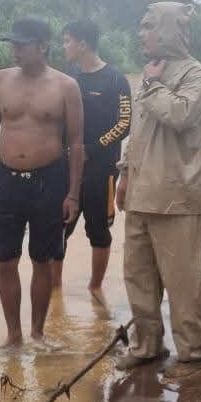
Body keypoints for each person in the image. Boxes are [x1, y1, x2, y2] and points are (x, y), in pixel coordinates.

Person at [114, 2, 201, 379]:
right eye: (141, 26)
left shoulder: (196, 74)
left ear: (170, 30)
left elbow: (179, 115)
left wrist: (153, 85)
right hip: (141, 192)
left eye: (148, 26)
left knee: (184, 282)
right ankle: (146, 346)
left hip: (176, 196)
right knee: (138, 277)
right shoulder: (150, 73)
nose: (142, 34)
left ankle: (193, 354)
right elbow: (138, 133)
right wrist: (124, 175)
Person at [0, 17, 85, 348]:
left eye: (22, 44)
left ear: (43, 45)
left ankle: (37, 332)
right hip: (7, 179)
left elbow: (76, 144)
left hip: (49, 179)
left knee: (43, 259)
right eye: (13, 44)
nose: (15, 50)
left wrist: (73, 195)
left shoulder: (66, 87)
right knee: (5, 258)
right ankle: (13, 335)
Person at [51, 19, 132, 296]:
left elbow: (125, 124)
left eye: (67, 41)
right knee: (59, 226)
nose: (64, 47)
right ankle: (55, 291)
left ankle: (95, 288)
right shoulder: (69, 75)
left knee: (98, 230)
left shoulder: (115, 79)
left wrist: (91, 149)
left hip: (102, 169)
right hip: (66, 168)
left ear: (82, 44)